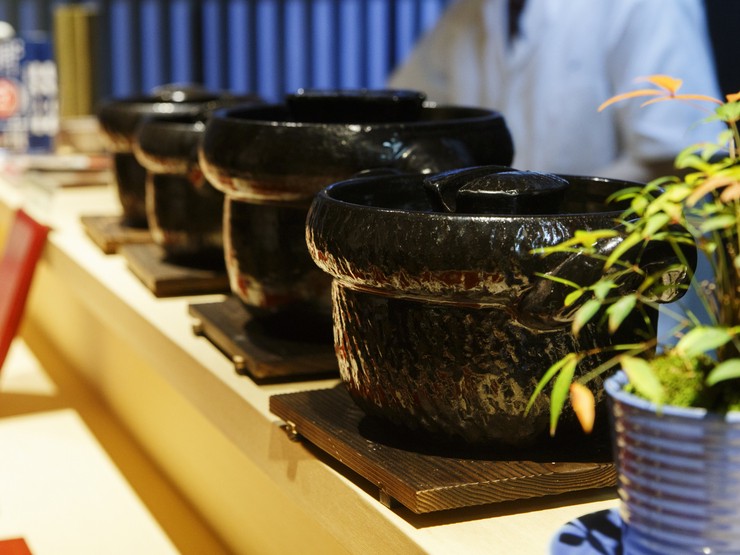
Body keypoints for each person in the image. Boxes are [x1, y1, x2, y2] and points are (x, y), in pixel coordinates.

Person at [388, 0, 725, 183]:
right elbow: (401, 118)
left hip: (626, 267)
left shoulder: (648, 6)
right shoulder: (468, 14)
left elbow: (677, 154)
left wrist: (542, 212)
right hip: (507, 262)